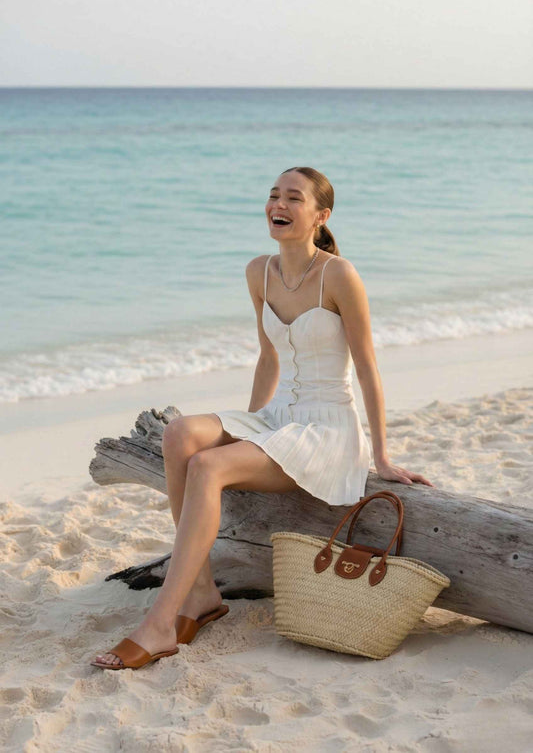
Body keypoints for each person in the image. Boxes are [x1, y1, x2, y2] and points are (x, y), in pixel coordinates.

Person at [91, 166, 435, 670]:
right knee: (181, 433)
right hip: (279, 416)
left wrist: (381, 454)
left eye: (294, 198)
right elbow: (269, 357)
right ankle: (203, 591)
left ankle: (161, 622)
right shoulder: (259, 271)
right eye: (274, 195)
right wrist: (249, 431)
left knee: (209, 467)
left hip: (326, 427)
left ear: (321, 215)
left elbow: (367, 366)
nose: (279, 203)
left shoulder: (339, 275)